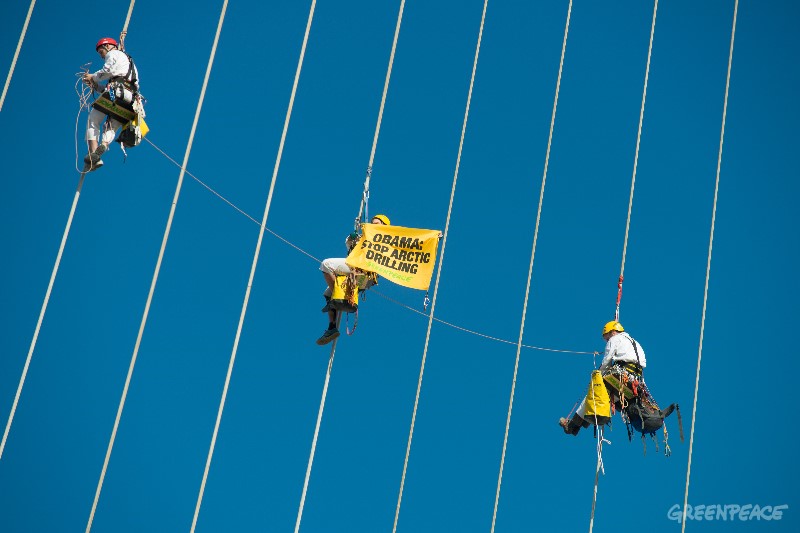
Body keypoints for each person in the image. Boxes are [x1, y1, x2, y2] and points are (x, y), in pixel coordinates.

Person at [559, 320, 646, 435]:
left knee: (593, 395)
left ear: (612, 332)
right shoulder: (635, 342)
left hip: (622, 376)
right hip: (635, 381)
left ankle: (572, 426)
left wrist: (598, 376)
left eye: (606, 337)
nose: (606, 340)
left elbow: (606, 361)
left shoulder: (615, 339)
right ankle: (578, 425)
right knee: (604, 400)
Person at [316, 214, 390, 346]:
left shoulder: (384, 241)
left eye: (377, 223)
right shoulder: (365, 237)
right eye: (373, 222)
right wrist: (352, 238)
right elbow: (350, 247)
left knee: (326, 264)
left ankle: (340, 297)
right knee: (327, 293)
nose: (373, 224)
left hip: (363, 272)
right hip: (358, 275)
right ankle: (332, 328)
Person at [82, 37, 140, 171]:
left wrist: (93, 77)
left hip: (117, 93)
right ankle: (102, 146)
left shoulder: (113, 54)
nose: (102, 56)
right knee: (112, 126)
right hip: (129, 99)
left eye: (101, 52)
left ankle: (93, 153)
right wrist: (95, 85)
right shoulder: (129, 63)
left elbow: (107, 71)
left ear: (108, 46)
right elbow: (113, 81)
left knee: (93, 119)